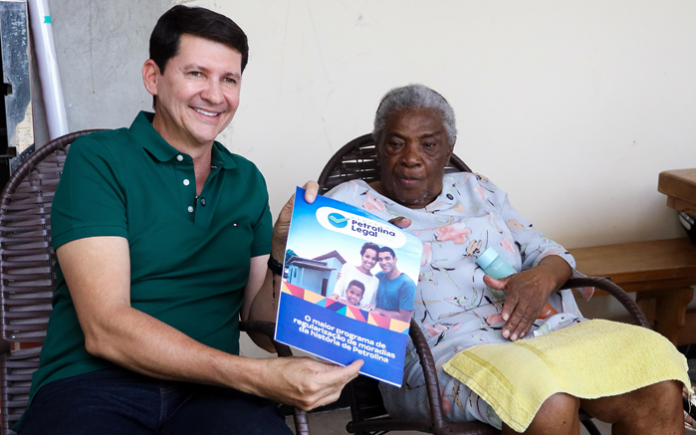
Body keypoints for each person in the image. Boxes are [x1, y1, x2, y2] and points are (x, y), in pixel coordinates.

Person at [15, 6, 361, 435]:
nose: (215, 95)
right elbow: (106, 328)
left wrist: (282, 257)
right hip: (92, 386)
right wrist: (256, 376)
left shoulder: (246, 180)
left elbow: (262, 331)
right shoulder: (99, 160)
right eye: (197, 73)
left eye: (229, 79)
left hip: (213, 395)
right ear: (153, 77)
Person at [326, 84, 685, 434]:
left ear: (449, 150)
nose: (411, 157)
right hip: (440, 358)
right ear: (379, 147)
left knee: (655, 373)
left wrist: (542, 278)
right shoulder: (347, 205)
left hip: (544, 333)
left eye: (429, 144)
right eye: (395, 143)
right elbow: (329, 301)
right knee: (544, 399)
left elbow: (548, 251)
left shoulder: (477, 189)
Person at [371, 247, 416, 322]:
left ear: (395, 259)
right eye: (380, 259)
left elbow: (404, 318)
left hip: (392, 327)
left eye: (387, 258)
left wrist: (379, 311)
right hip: (372, 322)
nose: (383, 262)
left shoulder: (407, 284)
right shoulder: (379, 276)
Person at [331, 242, 379, 310]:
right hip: (340, 311)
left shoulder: (376, 281)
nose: (369, 261)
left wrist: (371, 308)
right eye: (367, 256)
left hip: (360, 316)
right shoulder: (348, 267)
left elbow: (373, 303)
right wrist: (334, 297)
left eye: (374, 259)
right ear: (362, 256)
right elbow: (338, 290)